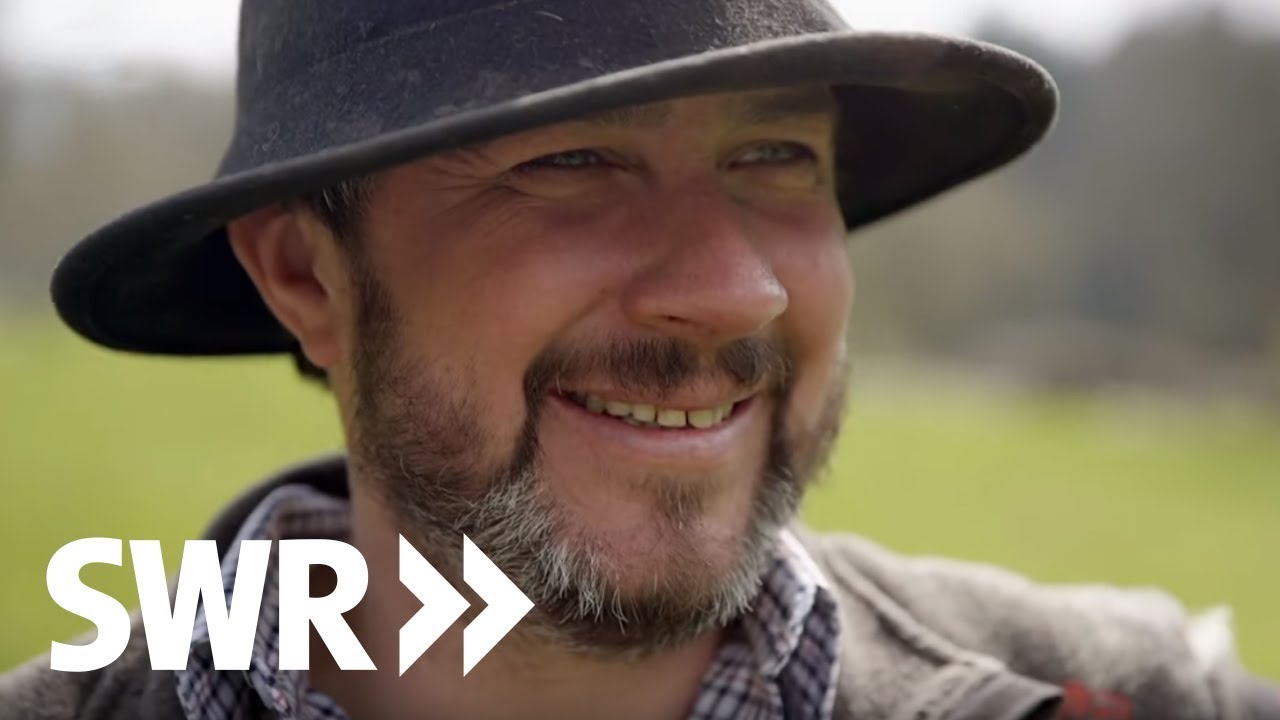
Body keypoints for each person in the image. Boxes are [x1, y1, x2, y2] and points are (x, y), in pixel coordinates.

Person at [2, 1, 1276, 719]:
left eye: (775, 157)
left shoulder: (1137, 696)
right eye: (569, 162)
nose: (735, 288)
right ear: (303, 274)